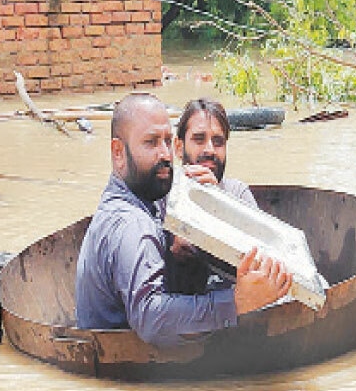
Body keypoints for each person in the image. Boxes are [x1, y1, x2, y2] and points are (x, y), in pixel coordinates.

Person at [74, 93, 293, 348]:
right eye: (151, 142)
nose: (165, 154)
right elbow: (151, 317)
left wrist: (217, 208)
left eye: (166, 141)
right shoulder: (132, 222)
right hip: (125, 368)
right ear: (118, 152)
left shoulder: (151, 200)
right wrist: (237, 302)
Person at [166, 98, 257, 294]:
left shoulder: (237, 194)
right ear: (178, 147)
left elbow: (260, 267)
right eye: (199, 139)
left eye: (218, 142)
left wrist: (217, 204)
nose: (209, 150)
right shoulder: (161, 197)